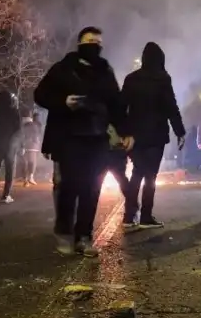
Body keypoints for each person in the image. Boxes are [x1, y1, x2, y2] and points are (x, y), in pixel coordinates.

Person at [35, 27, 131, 256]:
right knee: (70, 186)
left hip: (97, 138)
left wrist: (126, 131)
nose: (94, 45)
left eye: (98, 41)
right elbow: (40, 95)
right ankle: (64, 231)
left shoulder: (105, 71)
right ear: (80, 43)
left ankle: (84, 236)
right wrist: (63, 101)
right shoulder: (63, 69)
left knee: (92, 188)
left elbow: (116, 104)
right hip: (69, 138)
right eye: (90, 41)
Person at [120, 41, 186, 228]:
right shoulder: (163, 79)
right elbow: (171, 107)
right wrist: (179, 132)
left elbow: (121, 107)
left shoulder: (131, 79)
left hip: (135, 136)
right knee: (151, 176)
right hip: (156, 136)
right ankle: (146, 217)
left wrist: (124, 132)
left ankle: (128, 215)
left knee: (136, 173)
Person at [20, 112, 43, 185]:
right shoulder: (34, 125)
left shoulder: (20, 124)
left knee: (25, 162)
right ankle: (29, 177)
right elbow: (37, 135)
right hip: (32, 146)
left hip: (25, 145)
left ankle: (26, 179)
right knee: (32, 161)